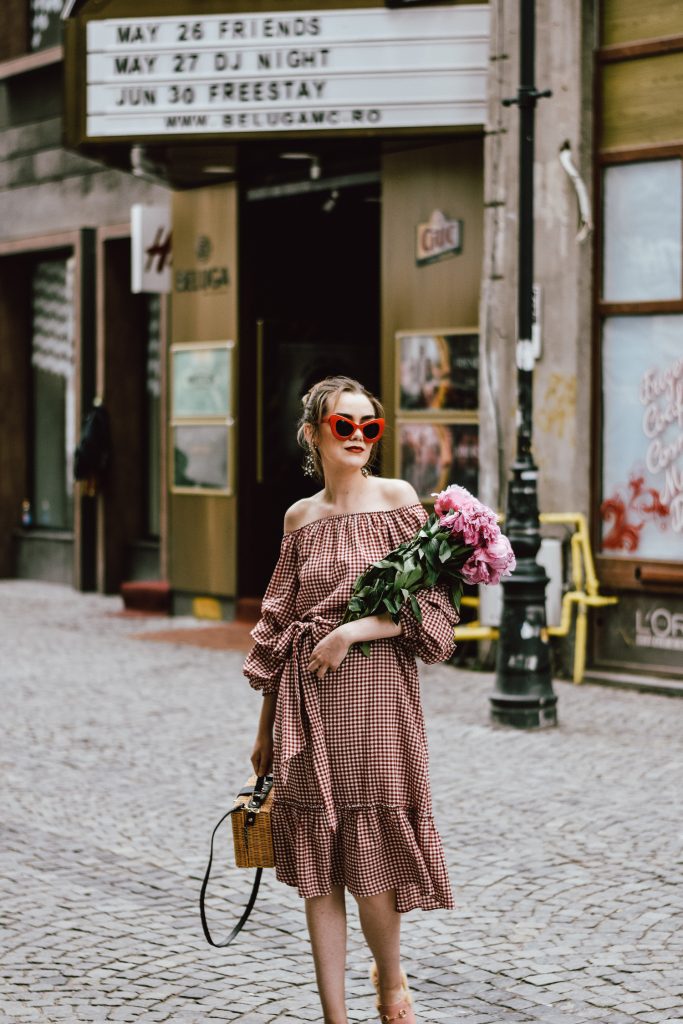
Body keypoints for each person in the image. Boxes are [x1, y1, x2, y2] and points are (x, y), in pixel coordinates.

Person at [244, 375, 458, 1024]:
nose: (360, 436)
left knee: (370, 858)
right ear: (314, 433)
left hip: (378, 697)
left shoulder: (398, 500)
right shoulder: (299, 519)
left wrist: (350, 631)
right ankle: (335, 1017)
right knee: (317, 863)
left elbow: (433, 611)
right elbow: (279, 629)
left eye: (371, 426)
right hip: (305, 710)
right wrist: (263, 733)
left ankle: (390, 981)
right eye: (345, 426)